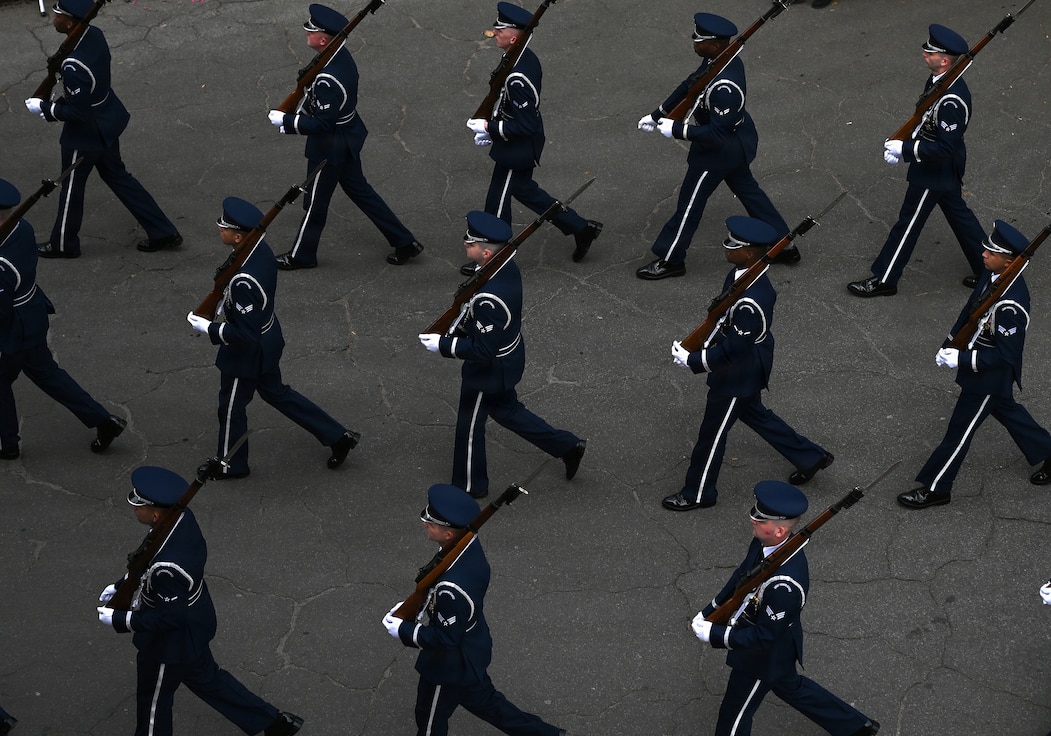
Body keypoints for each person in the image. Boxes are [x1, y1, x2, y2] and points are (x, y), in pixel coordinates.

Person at [96, 466, 303, 736]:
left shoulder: (167, 568)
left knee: (153, 702)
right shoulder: (179, 518)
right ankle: (272, 723)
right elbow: (144, 559)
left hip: (169, 642)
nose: (135, 509)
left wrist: (123, 619)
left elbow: (170, 616)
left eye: (140, 506)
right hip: (195, 621)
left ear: (155, 514)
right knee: (207, 679)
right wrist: (121, 585)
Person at [662, 217, 831, 511]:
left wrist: (695, 360)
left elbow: (734, 351)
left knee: (711, 435)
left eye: (733, 246)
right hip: (743, 365)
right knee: (756, 415)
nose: (727, 249)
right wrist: (698, 342)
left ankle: (698, 493)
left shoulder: (752, 299)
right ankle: (810, 456)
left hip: (738, 373)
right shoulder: (742, 273)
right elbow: (720, 317)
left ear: (750, 253)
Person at [185, 197, 360, 478]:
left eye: (224, 227)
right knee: (276, 393)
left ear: (239, 236)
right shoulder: (260, 250)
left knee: (230, 407)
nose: (220, 229)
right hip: (269, 337)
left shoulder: (244, 278)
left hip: (247, 352)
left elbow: (245, 333)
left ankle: (232, 464)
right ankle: (338, 436)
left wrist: (208, 327)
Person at [690, 481, 880, 736]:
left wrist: (715, 635)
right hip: (769, 638)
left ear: (779, 531)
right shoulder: (762, 543)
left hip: (763, 656)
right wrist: (710, 611)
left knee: (733, 715)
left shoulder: (785, 587)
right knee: (789, 686)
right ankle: (856, 727)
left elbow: (765, 638)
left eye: (760, 519)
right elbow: (742, 578)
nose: (752, 519)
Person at [417, 211, 585, 498]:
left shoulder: (490, 299)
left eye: (469, 245)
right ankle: (566, 446)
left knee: (469, 428)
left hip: (489, 370)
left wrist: (444, 345)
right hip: (507, 358)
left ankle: (470, 487)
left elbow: (483, 350)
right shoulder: (503, 266)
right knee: (507, 411)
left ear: (484, 251)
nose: (464, 247)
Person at [382, 483, 567, 736]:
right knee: (489, 705)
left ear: (449, 535)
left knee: (429, 723)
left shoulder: (451, 587)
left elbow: (446, 638)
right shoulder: (466, 548)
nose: (425, 523)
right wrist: (418, 604)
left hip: (448, 666)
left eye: (431, 523)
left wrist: (405, 630)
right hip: (472, 648)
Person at [898, 220, 1051, 509]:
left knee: (958, 432)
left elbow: (1007, 357)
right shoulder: (993, 276)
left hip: (988, 379)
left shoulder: (1011, 306)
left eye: (991, 253)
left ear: (1008, 262)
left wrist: (962, 358)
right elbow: (971, 313)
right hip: (980, 371)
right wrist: (950, 343)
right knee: (1009, 412)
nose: (983, 254)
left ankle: (936, 488)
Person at [634, 12, 797, 281]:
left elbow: (718, 134)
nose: (694, 42)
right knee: (749, 192)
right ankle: (784, 244)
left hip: (720, 151)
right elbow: (689, 86)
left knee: (689, 205)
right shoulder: (718, 60)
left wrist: (678, 129)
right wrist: (657, 114)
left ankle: (671, 258)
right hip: (735, 143)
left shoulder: (726, 85)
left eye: (700, 40)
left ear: (717, 45)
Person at [267, 3, 422, 270]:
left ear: (323, 39)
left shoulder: (329, 77)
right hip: (346, 138)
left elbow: (323, 124)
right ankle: (405, 241)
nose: (307, 32)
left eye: (311, 31)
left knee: (315, 203)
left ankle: (302, 255)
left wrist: (289, 121)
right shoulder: (336, 56)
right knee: (361, 192)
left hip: (330, 147)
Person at [23, 0, 181, 258]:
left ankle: (63, 244)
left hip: (85, 135)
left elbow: (79, 111)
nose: (53, 17)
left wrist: (47, 109)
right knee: (119, 176)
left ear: (71, 23)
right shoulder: (93, 35)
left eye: (58, 14)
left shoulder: (72, 65)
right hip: (107, 121)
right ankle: (162, 230)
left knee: (71, 187)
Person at [461, 1, 601, 275]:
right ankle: (581, 228)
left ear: (514, 36)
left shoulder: (518, 76)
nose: (494, 32)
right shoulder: (519, 56)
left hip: (518, 148)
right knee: (524, 191)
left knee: (497, 202)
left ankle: (494, 258)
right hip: (513, 143)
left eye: (499, 29)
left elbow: (525, 125)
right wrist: (492, 129)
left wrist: (490, 128)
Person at [847, 24, 986, 298]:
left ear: (944, 60)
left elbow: (946, 145)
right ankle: (989, 271)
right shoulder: (938, 80)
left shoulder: (952, 100)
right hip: (938, 167)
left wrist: (907, 150)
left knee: (908, 223)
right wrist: (905, 139)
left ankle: (885, 279)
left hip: (935, 169)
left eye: (930, 51)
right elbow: (924, 119)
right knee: (960, 216)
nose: (924, 52)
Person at [0, 177, 126, 459]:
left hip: (11, 330)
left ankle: (5, 443)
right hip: (31, 314)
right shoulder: (21, 228)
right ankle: (103, 420)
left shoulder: (1, 265)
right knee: (48, 374)